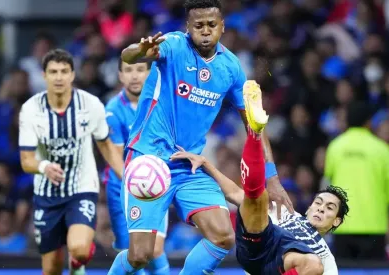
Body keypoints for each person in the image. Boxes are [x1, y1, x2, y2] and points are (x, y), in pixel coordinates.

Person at [108, 0, 293, 274]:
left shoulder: (231, 68)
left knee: (223, 236)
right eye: (198, 26)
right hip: (148, 161)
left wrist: (272, 179)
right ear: (188, 27)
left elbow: (255, 126)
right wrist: (140, 51)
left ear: (222, 27)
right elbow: (129, 55)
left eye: (211, 25)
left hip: (188, 164)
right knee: (140, 256)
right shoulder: (172, 46)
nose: (205, 31)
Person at [170, 81, 347, 275]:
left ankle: (255, 136)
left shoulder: (326, 259)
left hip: (280, 265)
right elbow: (236, 194)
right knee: (258, 198)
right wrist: (206, 164)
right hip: (259, 244)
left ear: (336, 222)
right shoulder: (286, 212)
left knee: (313, 264)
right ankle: (254, 134)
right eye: (319, 202)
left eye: (329, 208)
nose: (321, 208)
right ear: (310, 206)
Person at [19, 49, 124, 275]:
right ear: (44, 75)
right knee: (51, 269)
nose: (59, 77)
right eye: (53, 72)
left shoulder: (91, 105)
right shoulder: (30, 110)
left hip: (82, 188)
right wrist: (43, 166)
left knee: (80, 250)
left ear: (72, 75)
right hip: (47, 195)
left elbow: (105, 145)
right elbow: (26, 160)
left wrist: (125, 178)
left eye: (64, 71)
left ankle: (78, 262)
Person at [103, 60, 170, 274]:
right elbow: (115, 155)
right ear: (120, 75)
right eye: (129, 70)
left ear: (150, 74)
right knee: (134, 253)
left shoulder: (162, 105)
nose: (134, 76)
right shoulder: (113, 110)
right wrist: (138, 184)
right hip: (122, 186)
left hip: (156, 183)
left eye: (140, 70)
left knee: (156, 248)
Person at [324, 101, 389, 260]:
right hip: (374, 226)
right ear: (369, 122)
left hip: (341, 225)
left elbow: (328, 181)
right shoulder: (383, 150)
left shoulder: (335, 147)